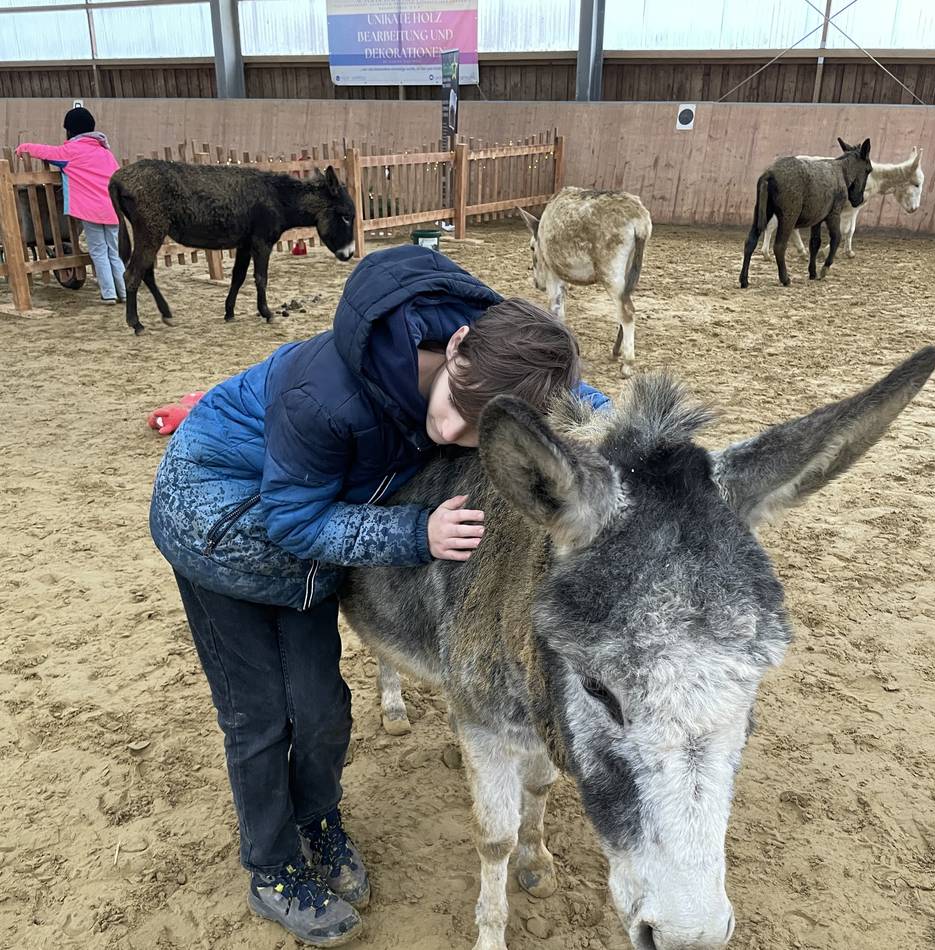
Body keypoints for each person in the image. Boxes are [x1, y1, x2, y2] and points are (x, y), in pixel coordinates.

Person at [149, 245, 608, 947]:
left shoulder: (490, 342)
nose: (453, 433)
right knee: (259, 718)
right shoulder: (326, 397)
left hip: (310, 548)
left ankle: (319, 822)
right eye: (456, 405)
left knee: (322, 707)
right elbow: (292, 521)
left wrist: (624, 444)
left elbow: (569, 399)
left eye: (480, 430)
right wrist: (415, 532)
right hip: (221, 531)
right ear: (456, 348)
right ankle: (271, 868)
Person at [15, 107, 125, 305]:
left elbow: (47, 152)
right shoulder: (106, 153)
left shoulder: (71, 151)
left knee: (99, 251)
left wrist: (24, 147)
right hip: (113, 209)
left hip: (91, 211)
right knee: (113, 252)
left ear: (70, 130)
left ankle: (109, 293)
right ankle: (125, 292)